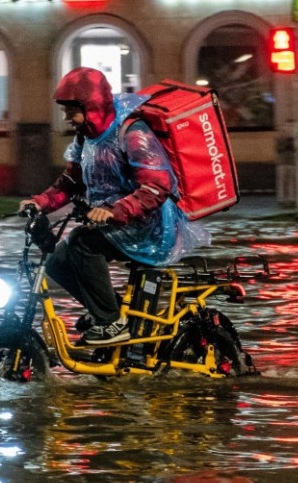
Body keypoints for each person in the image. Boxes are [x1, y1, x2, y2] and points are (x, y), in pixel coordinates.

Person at [19, 68, 210, 346]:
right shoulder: (86, 138)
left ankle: (111, 323)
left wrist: (114, 211)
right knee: (57, 260)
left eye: (71, 111)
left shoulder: (133, 134)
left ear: (92, 106)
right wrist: (39, 203)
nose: (66, 118)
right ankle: (111, 311)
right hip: (116, 223)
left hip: (150, 227)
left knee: (81, 242)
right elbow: (71, 182)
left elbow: (156, 188)